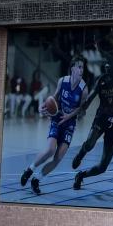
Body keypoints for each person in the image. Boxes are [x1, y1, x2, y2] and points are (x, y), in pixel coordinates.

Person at [20, 57, 89, 196]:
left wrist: (70, 116)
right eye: (79, 67)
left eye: (83, 67)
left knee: (58, 157)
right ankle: (29, 170)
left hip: (69, 124)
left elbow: (82, 110)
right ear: (72, 68)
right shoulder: (62, 81)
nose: (81, 70)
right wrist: (44, 106)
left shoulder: (84, 89)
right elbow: (54, 98)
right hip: (57, 118)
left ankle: (36, 180)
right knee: (50, 150)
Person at [72, 63, 113, 190]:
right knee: (90, 144)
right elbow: (91, 97)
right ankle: (80, 155)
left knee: (102, 167)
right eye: (106, 66)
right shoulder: (101, 81)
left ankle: (81, 176)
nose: (107, 68)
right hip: (101, 119)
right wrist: (82, 109)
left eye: (110, 66)